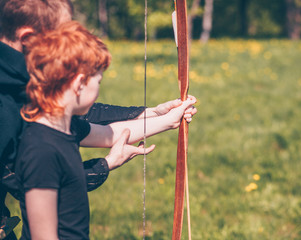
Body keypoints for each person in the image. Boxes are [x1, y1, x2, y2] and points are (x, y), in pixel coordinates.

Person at [0, 0, 197, 239]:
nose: (68, 42)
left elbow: (94, 129)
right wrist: (104, 165)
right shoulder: (33, 136)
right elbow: (34, 186)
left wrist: (162, 117)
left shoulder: (49, 108)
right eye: (60, 36)